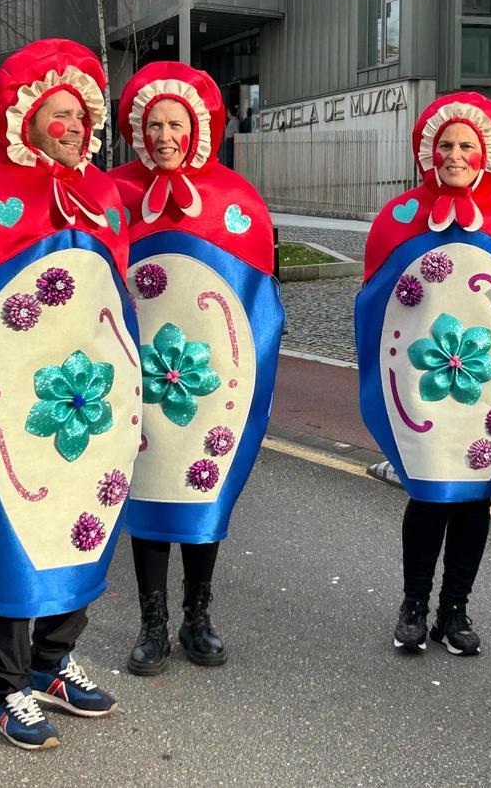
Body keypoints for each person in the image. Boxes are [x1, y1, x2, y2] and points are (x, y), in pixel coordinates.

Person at [0, 39, 138, 750]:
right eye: (60, 113)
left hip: (90, 397)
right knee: (13, 532)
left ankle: (53, 660)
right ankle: (7, 689)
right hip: (13, 402)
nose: (74, 126)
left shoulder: (101, 193)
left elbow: (113, 300)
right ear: (25, 115)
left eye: (81, 115)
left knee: (86, 518)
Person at [355, 93, 491, 656]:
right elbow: (377, 307)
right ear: (430, 150)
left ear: (486, 154)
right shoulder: (399, 220)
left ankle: (455, 607)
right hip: (423, 385)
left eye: (466, 146)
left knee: (474, 500)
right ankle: (414, 603)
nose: (454, 155)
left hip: (487, 387)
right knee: (428, 495)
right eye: (446, 144)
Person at [110, 62, 283, 676]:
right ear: (139, 129)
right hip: (139, 378)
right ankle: (152, 622)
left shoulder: (235, 199)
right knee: (151, 492)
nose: (164, 136)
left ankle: (197, 615)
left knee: (202, 490)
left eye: (175, 124)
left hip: (209, 378)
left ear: (197, 127)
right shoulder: (116, 194)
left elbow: (258, 295)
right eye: (154, 125)